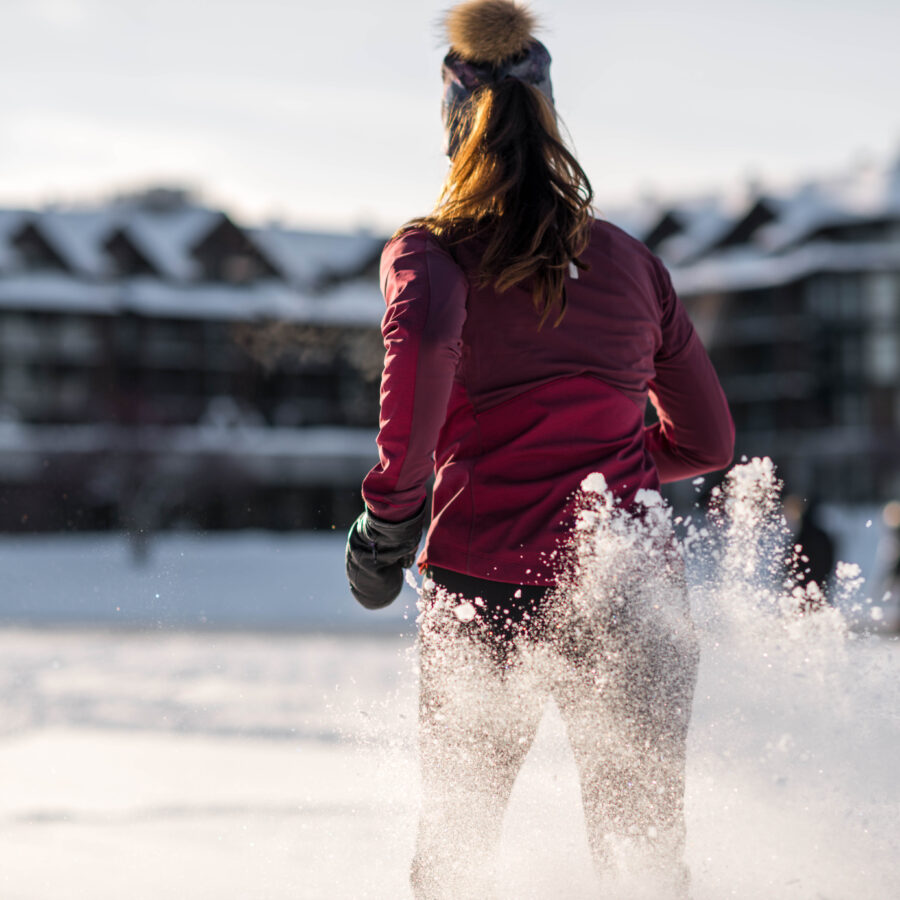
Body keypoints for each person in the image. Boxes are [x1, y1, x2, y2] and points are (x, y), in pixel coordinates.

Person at [345, 2, 734, 897]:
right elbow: (708, 442)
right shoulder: (634, 264)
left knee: (458, 846)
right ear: (550, 114)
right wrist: (611, 466)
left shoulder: (431, 254)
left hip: (487, 586)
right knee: (643, 859)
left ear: (453, 123)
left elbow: (429, 345)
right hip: (629, 583)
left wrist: (388, 521)